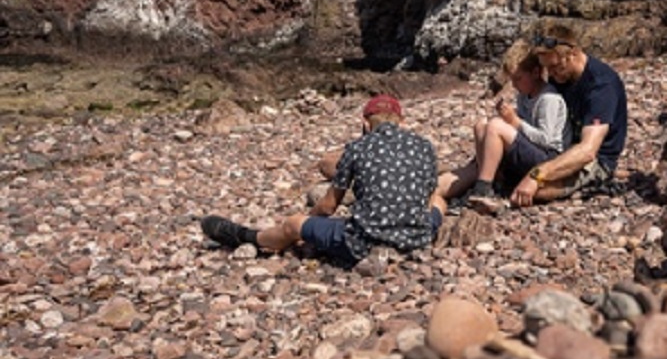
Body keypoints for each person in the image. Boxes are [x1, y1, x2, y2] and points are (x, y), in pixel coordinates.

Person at [201, 94, 444, 268]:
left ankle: (248, 237)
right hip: (417, 238)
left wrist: (307, 224)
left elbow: (328, 206)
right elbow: (430, 198)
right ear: (402, 123)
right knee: (441, 204)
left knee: (294, 225)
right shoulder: (425, 146)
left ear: (365, 124)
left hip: (363, 243)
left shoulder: (358, 147)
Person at [437, 40, 571, 212]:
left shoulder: (549, 99)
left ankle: (483, 188)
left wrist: (515, 122)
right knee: (481, 125)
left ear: (536, 73)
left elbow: (547, 140)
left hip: (548, 159)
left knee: (495, 126)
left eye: (518, 79)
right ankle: (490, 180)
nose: (514, 85)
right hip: (532, 149)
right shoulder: (524, 95)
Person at [508, 23, 628, 207]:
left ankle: (595, 183)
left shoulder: (601, 86)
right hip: (560, 147)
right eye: (547, 68)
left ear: (573, 53)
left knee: (535, 190)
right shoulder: (560, 77)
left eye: (555, 67)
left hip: (595, 160)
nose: (551, 74)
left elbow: (588, 151)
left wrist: (537, 174)